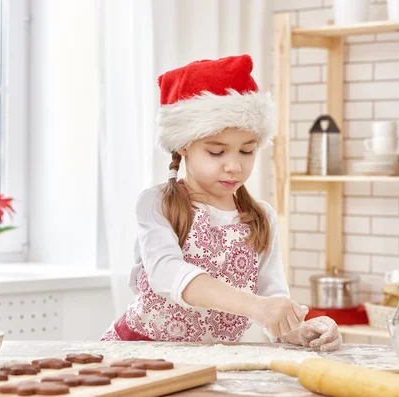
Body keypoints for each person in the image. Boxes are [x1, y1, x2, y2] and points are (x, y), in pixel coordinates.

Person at [101, 55, 341, 352]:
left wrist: (297, 329)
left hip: (206, 363)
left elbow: (271, 299)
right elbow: (167, 273)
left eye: (247, 151)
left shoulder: (261, 217)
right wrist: (256, 306)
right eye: (217, 152)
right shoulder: (157, 203)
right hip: (137, 352)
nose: (234, 166)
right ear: (184, 146)